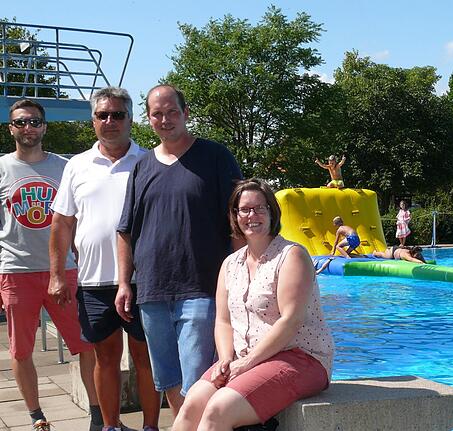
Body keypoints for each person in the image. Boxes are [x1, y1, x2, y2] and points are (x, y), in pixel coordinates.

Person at [116, 85, 243, 416]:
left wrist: (242, 279)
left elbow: (238, 223)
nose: (165, 119)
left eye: (172, 111)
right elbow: (126, 231)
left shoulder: (215, 157)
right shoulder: (142, 166)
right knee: (168, 381)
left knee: (198, 382)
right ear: (149, 119)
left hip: (201, 290)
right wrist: (124, 283)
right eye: (157, 113)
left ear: (186, 114)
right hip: (153, 294)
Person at [172, 179, 334, 431]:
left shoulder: (291, 256)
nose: (252, 215)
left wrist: (246, 364)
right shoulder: (230, 264)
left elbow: (290, 321)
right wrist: (226, 359)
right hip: (244, 358)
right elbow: (223, 321)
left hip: (300, 358)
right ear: (235, 216)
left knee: (218, 409)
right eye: (244, 209)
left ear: (272, 211)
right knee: (192, 404)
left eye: (260, 208)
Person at [49, 88, 161, 431]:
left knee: (145, 360)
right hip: (94, 282)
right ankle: (110, 426)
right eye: (102, 115)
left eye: (118, 115)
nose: (110, 122)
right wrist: (56, 274)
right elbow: (62, 222)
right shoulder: (77, 166)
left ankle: (151, 427)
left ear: (130, 119)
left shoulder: (149, 162)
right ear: (93, 120)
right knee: (105, 358)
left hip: (144, 281)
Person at [0, 99, 100, 431]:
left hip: (64, 270)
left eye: (34, 122)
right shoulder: (1, 168)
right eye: (20, 122)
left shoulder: (64, 167)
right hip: (16, 272)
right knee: (21, 348)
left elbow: (78, 217)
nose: (28, 128)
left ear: (44, 126)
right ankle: (35, 415)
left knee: (87, 344)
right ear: (10, 127)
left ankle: (99, 414)